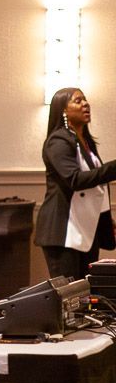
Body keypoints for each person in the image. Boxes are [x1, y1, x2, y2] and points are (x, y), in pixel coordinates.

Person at [34, 88, 116, 281]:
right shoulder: (58, 141)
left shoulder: (85, 142)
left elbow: (97, 186)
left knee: (87, 290)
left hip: (86, 229)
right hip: (63, 231)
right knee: (70, 293)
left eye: (85, 100)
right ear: (63, 110)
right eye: (78, 101)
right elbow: (75, 180)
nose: (85, 104)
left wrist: (106, 219)